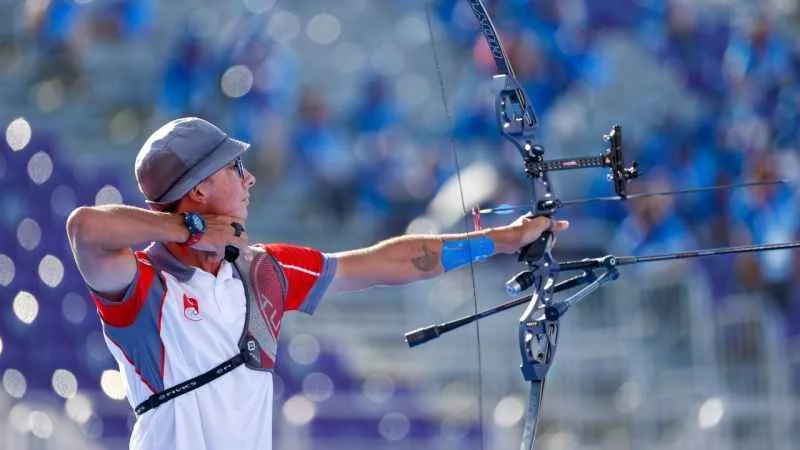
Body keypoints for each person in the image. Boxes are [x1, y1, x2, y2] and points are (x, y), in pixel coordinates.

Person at [66, 117, 569, 450]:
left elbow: (388, 263)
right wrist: (190, 228)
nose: (250, 179)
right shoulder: (144, 284)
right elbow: (84, 228)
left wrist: (497, 241)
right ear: (198, 189)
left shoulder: (263, 271)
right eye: (235, 168)